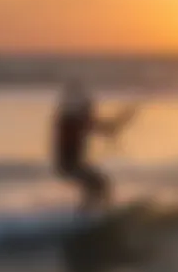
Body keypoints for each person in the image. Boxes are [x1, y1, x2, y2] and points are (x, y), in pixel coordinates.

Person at [52, 78, 137, 213]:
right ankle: (90, 213)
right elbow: (96, 126)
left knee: (97, 184)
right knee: (99, 183)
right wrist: (114, 124)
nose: (90, 111)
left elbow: (102, 127)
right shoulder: (71, 120)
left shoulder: (74, 119)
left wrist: (121, 120)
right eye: (87, 108)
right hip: (68, 165)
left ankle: (90, 211)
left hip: (72, 164)